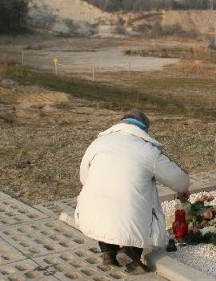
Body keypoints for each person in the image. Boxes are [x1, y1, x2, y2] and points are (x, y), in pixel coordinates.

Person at [74, 109, 190, 274]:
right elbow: (179, 179)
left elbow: (84, 177)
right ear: (144, 130)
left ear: (121, 123)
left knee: (107, 208)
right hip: (129, 212)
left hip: (91, 210)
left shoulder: (98, 143)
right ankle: (131, 252)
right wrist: (182, 190)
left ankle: (108, 251)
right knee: (140, 203)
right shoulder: (148, 151)